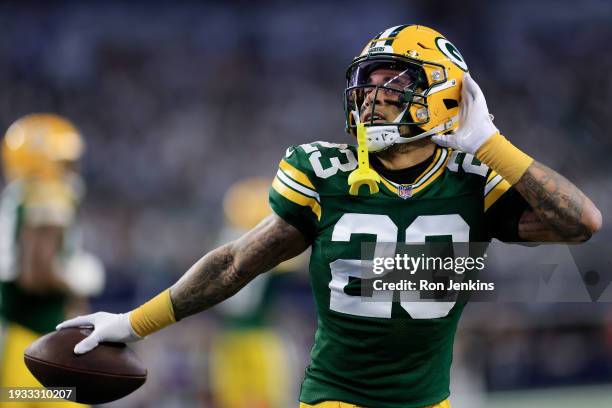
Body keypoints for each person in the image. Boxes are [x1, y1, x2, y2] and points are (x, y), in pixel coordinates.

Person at [57, 25, 601, 408]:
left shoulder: (473, 179)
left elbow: (582, 222)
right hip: (335, 400)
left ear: (442, 96)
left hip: (431, 401)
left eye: (394, 84)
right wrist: (131, 323)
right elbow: (234, 265)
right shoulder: (325, 173)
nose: (371, 97)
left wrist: (488, 142)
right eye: (369, 83)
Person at [0, 113, 104, 408]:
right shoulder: (48, 195)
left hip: (18, 341)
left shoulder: (20, 196)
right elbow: (35, 275)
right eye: (65, 161)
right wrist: (76, 280)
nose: (74, 169)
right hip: (42, 343)